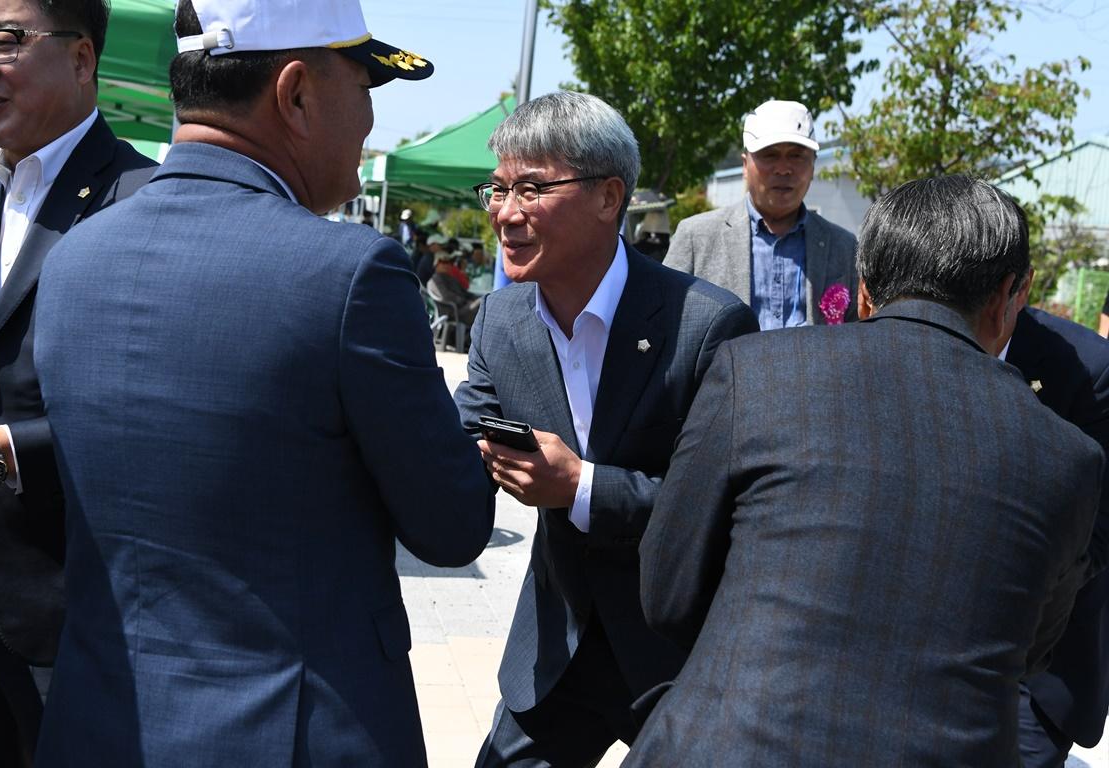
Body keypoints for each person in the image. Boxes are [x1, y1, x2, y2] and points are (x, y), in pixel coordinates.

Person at [31, 0, 495, 765]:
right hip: (294, 733)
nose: (371, 122)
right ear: (296, 93)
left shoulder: (75, 258)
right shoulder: (349, 274)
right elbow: (450, 528)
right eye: (365, 87)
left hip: (100, 721)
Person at [626, 175, 1103, 767]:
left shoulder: (757, 375)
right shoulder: (1068, 456)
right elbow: (1030, 647)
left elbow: (668, 594)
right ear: (1014, 294)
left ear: (863, 289)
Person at [454, 91, 758, 767]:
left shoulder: (706, 326)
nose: (505, 213)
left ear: (607, 196)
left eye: (531, 188)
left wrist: (583, 487)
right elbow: (455, 445)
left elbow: (728, 510)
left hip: (675, 656)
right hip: (557, 649)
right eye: (497, 189)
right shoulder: (501, 321)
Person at [0, 0, 155, 762]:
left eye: (6, 41)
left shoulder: (147, 204)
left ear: (82, 58)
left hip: (83, 607)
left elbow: (152, 414)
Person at [997, 277, 1109, 766]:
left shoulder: (1086, 367)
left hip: (1038, 664)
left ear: (1018, 289)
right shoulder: (898, 345)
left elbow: (1098, 529)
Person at [664, 100, 859, 328]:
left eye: (797, 156)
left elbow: (857, 334)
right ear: (746, 165)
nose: (784, 168)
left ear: (813, 166)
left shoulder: (844, 247)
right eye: (770, 155)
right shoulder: (696, 238)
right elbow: (663, 321)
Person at [427, 251, 481, 327]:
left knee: (483, 301)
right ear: (436, 264)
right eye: (443, 262)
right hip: (452, 313)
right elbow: (446, 296)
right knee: (482, 305)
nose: (447, 265)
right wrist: (466, 301)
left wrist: (476, 298)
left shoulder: (451, 278)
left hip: (461, 308)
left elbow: (465, 292)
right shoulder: (434, 280)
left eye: (449, 262)